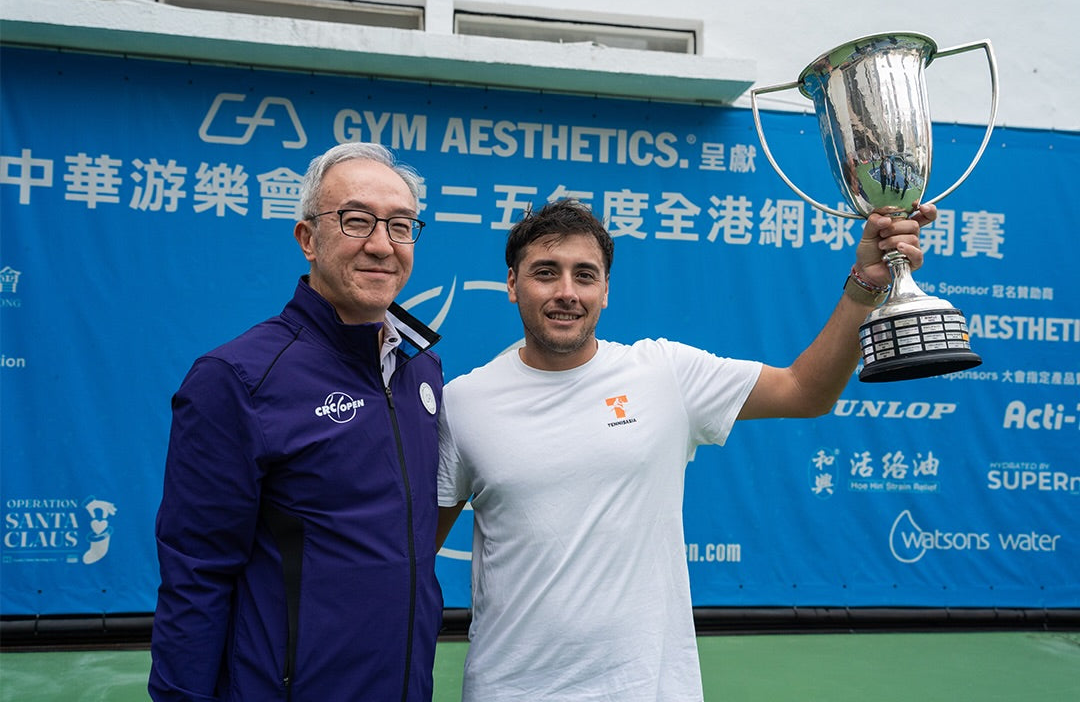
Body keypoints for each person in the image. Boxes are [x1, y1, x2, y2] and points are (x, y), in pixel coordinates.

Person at [436, 197, 930, 701]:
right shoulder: (462, 404)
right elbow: (411, 552)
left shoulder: (664, 373)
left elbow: (806, 391)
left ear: (606, 290)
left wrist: (866, 281)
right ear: (513, 285)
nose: (567, 292)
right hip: (510, 689)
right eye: (546, 272)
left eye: (585, 275)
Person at [150, 141, 443, 702]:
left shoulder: (421, 368)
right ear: (308, 239)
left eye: (401, 226)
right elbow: (196, 573)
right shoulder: (238, 378)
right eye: (357, 221)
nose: (382, 245)